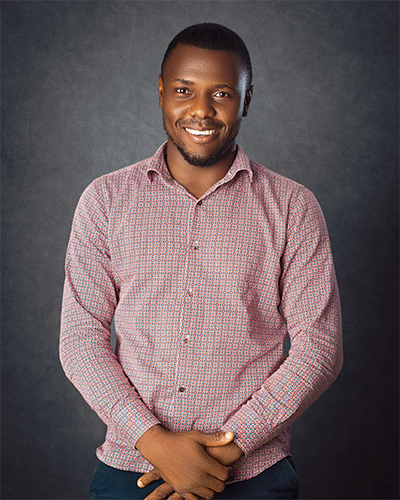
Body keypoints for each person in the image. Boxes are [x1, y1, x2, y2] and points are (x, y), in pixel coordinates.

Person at [59, 22, 344, 500]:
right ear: (161, 92)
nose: (200, 110)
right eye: (183, 90)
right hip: (133, 469)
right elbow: (80, 340)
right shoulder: (104, 200)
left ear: (246, 101)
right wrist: (157, 444)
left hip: (253, 473)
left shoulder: (293, 207)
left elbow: (320, 349)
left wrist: (223, 452)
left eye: (222, 94)